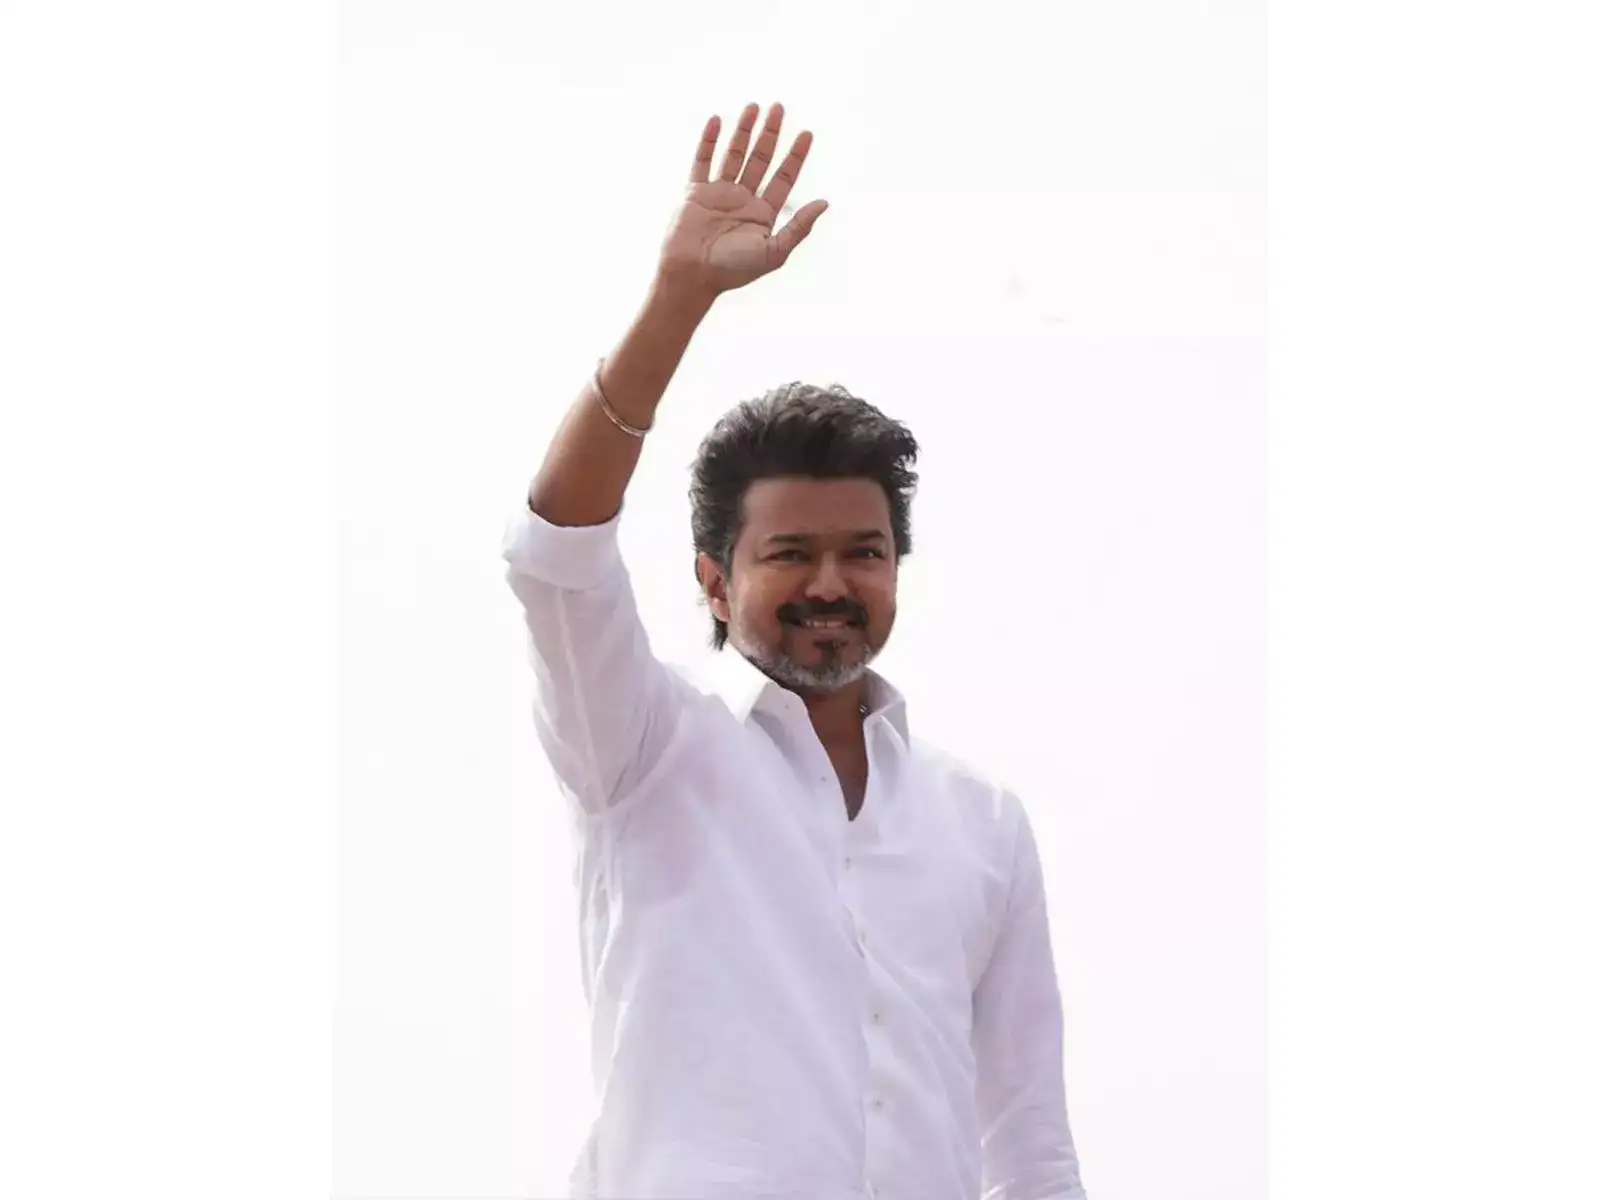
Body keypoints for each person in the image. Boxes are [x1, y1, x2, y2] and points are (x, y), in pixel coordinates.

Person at [503, 102, 1089, 1200]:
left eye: (863, 552)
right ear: (713, 579)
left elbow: (1028, 1144)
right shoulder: (641, 750)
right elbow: (553, 557)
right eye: (789, 554)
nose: (830, 584)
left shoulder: (980, 821)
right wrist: (677, 301)